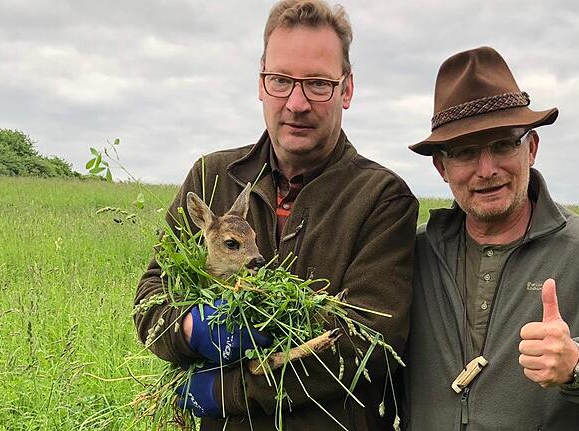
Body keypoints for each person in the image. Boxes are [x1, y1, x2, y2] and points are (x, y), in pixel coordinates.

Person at [133, 1, 418, 429]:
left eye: (318, 83)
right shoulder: (211, 177)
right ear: (261, 83)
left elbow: (367, 342)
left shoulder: (382, 199)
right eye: (281, 80)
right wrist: (190, 329)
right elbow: (151, 297)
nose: (297, 102)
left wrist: (226, 392)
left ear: (347, 89)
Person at [403, 46, 579, 430]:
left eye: (503, 144)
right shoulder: (416, 253)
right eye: (465, 152)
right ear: (442, 166)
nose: (487, 169)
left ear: (532, 149)